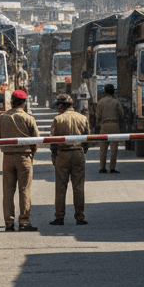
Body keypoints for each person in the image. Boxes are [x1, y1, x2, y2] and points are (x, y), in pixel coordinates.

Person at [0, 89, 40, 231]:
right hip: (24, 156)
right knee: (24, 190)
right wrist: (32, 154)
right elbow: (36, 140)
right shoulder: (28, 118)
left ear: (11, 101)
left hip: (7, 157)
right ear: (24, 103)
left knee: (8, 191)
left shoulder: (2, 118)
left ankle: (9, 223)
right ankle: (24, 222)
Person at [49, 94, 90, 226]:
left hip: (63, 154)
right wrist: (81, 150)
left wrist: (54, 156)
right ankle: (80, 217)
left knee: (61, 187)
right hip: (78, 153)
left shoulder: (58, 119)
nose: (57, 108)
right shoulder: (83, 118)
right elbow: (87, 139)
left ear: (62, 105)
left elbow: (53, 141)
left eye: (58, 106)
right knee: (78, 187)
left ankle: (59, 217)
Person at [94, 83, 126, 173]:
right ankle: (112, 168)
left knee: (103, 148)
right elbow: (122, 115)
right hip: (114, 125)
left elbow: (98, 116)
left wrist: (98, 125)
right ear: (113, 92)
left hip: (104, 126)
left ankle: (102, 167)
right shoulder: (116, 102)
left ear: (105, 92)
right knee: (114, 149)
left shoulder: (100, 102)